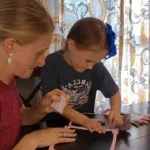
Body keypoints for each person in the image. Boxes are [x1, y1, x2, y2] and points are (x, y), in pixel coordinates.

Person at [0, 0, 77, 150]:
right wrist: (32, 141)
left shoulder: (9, 81)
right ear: (11, 46)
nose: (42, 62)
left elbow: (19, 116)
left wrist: (40, 109)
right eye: (39, 53)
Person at [41, 17, 123, 129]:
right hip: (56, 126)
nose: (90, 67)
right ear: (71, 45)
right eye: (88, 60)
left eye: (96, 62)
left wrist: (115, 111)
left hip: (85, 125)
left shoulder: (95, 66)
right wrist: (85, 121)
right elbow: (56, 103)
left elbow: (114, 93)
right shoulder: (51, 63)